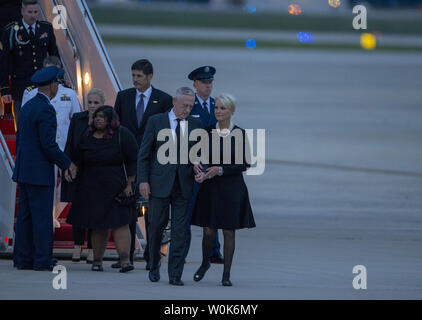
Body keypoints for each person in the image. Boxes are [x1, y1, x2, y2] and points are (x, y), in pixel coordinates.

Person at [12, 66, 77, 271]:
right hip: (40, 172)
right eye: (57, 83)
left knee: (25, 216)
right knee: (41, 217)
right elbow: (48, 144)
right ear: (52, 85)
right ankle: (42, 259)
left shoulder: (27, 107)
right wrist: (66, 163)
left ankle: (22, 258)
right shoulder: (46, 109)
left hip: (24, 170)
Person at [137, 87, 202, 286]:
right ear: (174, 101)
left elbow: (200, 155)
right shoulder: (156, 121)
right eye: (184, 105)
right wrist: (143, 180)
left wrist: (199, 168)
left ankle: (175, 273)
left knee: (180, 231)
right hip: (159, 184)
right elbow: (144, 154)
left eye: (191, 106)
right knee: (156, 227)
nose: (187, 109)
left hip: (183, 186)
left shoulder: (195, 124)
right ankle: (154, 265)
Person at [191, 93, 256, 286]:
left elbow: (244, 164)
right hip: (210, 187)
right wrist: (198, 168)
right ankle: (205, 263)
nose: (218, 111)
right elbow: (197, 155)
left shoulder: (240, 134)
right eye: (216, 108)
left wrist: (220, 169)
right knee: (209, 230)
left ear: (232, 111)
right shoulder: (207, 131)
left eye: (222, 108)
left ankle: (226, 274)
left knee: (229, 231)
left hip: (231, 187)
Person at [114, 59, 173, 269]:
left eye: (139, 76)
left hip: (152, 164)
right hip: (128, 164)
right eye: (133, 75)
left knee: (152, 212)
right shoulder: (123, 97)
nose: (135, 80)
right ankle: (127, 256)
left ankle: (152, 256)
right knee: (128, 210)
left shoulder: (164, 100)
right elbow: (116, 127)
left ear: (150, 77)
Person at [66, 106, 138, 273]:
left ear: (110, 120)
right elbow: (77, 157)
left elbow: (133, 159)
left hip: (116, 187)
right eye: (96, 116)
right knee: (99, 225)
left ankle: (125, 261)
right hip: (91, 188)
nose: (98, 119)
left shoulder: (122, 134)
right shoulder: (87, 135)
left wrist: (130, 184)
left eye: (103, 116)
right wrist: (73, 167)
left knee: (121, 223)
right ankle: (97, 262)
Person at [21, 55, 81, 232]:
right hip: (43, 150)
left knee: (64, 186)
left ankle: (54, 214)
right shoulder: (31, 93)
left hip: (61, 146)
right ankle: (48, 216)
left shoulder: (69, 93)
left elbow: (76, 119)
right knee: (47, 185)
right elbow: (25, 123)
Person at [184, 65, 224, 264]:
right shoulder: (189, 105)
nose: (208, 86)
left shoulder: (218, 105)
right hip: (193, 167)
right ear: (195, 84)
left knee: (212, 210)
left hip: (212, 167)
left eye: (210, 82)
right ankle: (181, 251)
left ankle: (213, 251)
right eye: (204, 82)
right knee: (187, 211)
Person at [61, 88, 106, 263]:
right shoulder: (78, 119)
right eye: (90, 102)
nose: (93, 106)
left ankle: (92, 248)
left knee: (94, 210)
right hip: (78, 169)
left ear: (102, 103)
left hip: (97, 171)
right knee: (77, 208)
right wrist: (67, 165)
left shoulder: (107, 121)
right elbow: (70, 144)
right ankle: (77, 246)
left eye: (96, 102)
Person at [0, 0, 60, 118]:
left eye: (35, 12)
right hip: (20, 87)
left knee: (42, 120)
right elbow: (4, 62)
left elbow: (54, 57)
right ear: (22, 12)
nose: (33, 15)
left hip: (42, 85)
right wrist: (5, 89)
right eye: (30, 12)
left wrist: (59, 78)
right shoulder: (11, 31)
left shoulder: (46, 28)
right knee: (21, 124)